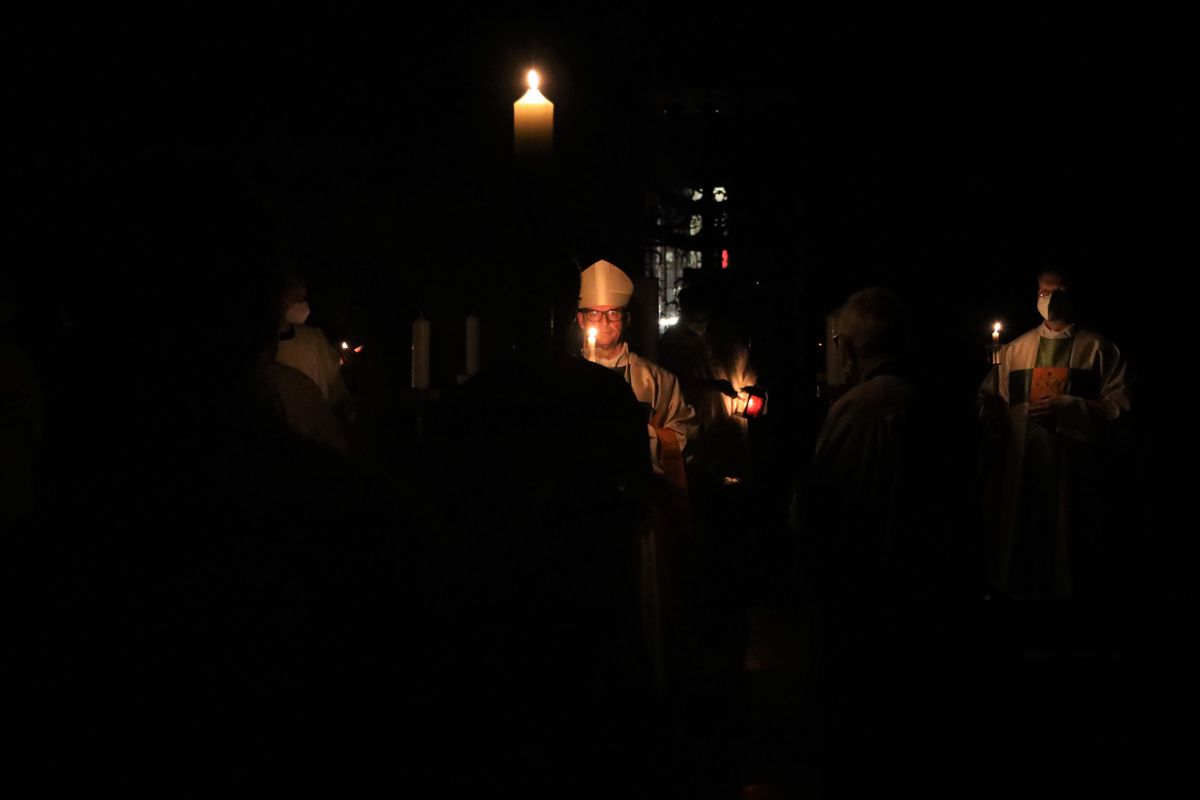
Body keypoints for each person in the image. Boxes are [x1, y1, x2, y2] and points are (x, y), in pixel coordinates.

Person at [576, 259, 696, 685]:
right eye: (593, 312)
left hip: (641, 510)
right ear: (578, 317)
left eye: (612, 313)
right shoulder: (566, 378)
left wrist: (643, 440)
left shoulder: (656, 379)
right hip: (582, 513)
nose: (603, 322)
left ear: (626, 318)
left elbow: (681, 434)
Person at [978, 267, 1131, 598]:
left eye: (1058, 292)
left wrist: (1071, 409)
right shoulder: (1014, 352)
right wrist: (990, 416)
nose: (1050, 300)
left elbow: (1123, 413)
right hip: (1023, 477)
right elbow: (996, 416)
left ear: (1073, 295)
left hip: (1075, 478)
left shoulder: (1099, 350)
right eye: (1043, 293)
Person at [276, 276, 354, 423]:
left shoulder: (313, 337)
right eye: (295, 298)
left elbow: (333, 383)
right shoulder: (268, 347)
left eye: (303, 299)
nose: (302, 305)